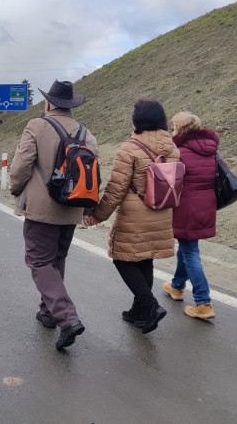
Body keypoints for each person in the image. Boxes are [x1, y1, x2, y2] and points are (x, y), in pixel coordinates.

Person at [9, 80, 97, 350]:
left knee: (38, 261)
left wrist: (15, 188)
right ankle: (48, 313)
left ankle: (67, 318)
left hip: (41, 209)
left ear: (49, 103)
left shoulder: (37, 126)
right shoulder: (87, 135)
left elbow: (22, 165)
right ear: (71, 106)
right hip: (72, 208)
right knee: (56, 259)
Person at [84, 98, 179, 334]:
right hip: (162, 210)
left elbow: (116, 189)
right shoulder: (173, 148)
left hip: (135, 214)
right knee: (145, 258)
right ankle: (140, 312)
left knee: (121, 257)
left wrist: (97, 216)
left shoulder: (130, 148)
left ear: (138, 119)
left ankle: (151, 305)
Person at [163, 112, 219, 319]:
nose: (172, 131)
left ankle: (203, 303)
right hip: (205, 207)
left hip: (185, 208)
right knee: (188, 247)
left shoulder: (179, 152)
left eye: (173, 127)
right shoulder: (211, 151)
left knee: (190, 253)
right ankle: (177, 286)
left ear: (180, 129)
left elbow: (167, 182)